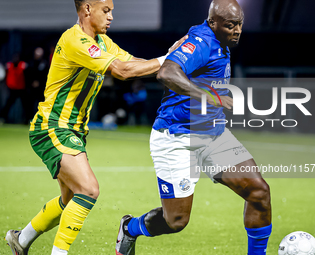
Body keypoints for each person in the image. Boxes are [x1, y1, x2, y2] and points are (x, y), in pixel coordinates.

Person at [4, 0, 186, 254]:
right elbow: (123, 71)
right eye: (106, 11)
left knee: (69, 200)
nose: (111, 17)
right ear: (87, 9)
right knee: (88, 189)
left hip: (73, 130)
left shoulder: (103, 42)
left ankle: (21, 240)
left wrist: (170, 58)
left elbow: (134, 63)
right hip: (53, 127)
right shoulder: (74, 40)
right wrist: (167, 58)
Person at [115, 0, 272, 255]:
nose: (237, 30)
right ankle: (130, 227)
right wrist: (209, 96)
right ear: (213, 23)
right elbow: (166, 73)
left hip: (213, 135)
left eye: (240, 24)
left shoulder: (219, 41)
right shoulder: (202, 42)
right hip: (177, 136)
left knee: (259, 192)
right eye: (230, 25)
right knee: (175, 221)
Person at [0, 53, 28, 123]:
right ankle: (3, 118)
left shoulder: (23, 65)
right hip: (12, 89)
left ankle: (28, 119)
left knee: (26, 105)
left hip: (21, 88)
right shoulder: (9, 65)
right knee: (8, 104)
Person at [26, 47, 49, 120]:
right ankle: (29, 119)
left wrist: (39, 83)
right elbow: (28, 74)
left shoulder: (44, 63)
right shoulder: (31, 63)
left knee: (41, 103)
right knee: (30, 103)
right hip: (31, 87)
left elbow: (45, 75)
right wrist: (31, 82)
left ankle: (41, 119)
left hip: (41, 87)